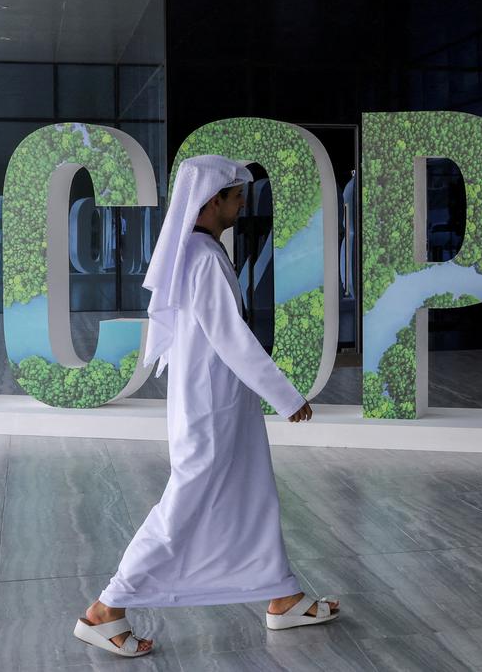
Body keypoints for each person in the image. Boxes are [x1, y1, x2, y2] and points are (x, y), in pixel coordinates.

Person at [73, 155, 340, 658]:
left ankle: (283, 596)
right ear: (211, 200)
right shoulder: (201, 257)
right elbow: (232, 338)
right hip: (212, 408)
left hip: (220, 402)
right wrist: (286, 397)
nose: (242, 205)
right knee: (185, 505)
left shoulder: (197, 252)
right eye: (237, 196)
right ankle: (105, 609)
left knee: (253, 494)